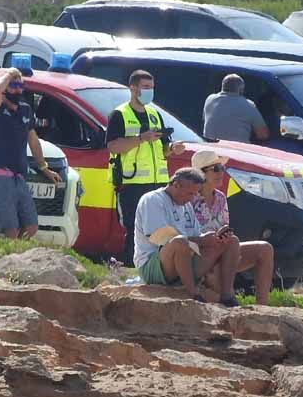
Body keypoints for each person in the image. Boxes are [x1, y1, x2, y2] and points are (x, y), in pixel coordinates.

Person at [134, 167, 260, 307]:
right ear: (176, 185)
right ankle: (193, 293)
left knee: (231, 241)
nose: (192, 198)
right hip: (154, 265)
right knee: (179, 242)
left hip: (186, 259)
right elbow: (160, 238)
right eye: (189, 193)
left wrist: (212, 238)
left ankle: (227, 296)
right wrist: (201, 240)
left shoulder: (186, 205)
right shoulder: (152, 200)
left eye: (195, 194)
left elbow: (196, 236)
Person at [107, 69, 186, 264]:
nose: (149, 91)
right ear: (133, 88)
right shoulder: (120, 114)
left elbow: (163, 148)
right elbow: (113, 146)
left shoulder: (154, 114)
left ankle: (158, 270)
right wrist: (141, 138)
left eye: (151, 88)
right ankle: (131, 269)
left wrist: (173, 149)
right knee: (135, 231)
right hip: (132, 183)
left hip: (158, 183)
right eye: (145, 87)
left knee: (161, 229)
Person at [189, 148, 274, 305]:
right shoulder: (189, 198)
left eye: (222, 168)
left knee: (265, 248)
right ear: (201, 174)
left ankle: (262, 306)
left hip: (224, 251)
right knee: (220, 260)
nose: (221, 172)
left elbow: (225, 227)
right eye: (216, 169)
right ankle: (226, 296)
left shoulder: (221, 198)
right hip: (201, 255)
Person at [0, 68, 60, 239]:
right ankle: (9, 259)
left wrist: (44, 167)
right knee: (10, 230)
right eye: (13, 85)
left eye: (20, 85)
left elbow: (33, 141)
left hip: (19, 175)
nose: (18, 89)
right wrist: (10, 74)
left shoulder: (25, 110)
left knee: (31, 226)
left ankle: (16, 256)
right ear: (5, 86)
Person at [203, 74, 269, 143]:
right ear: (241, 90)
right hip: (236, 150)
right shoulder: (248, 105)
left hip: (210, 147)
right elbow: (263, 135)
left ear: (222, 86)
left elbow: (206, 120)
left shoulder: (210, 99)